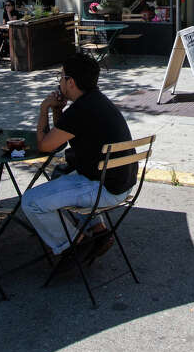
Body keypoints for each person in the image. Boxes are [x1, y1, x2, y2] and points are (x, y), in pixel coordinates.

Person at [23, 52, 136, 262]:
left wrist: (43, 109)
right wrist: (58, 110)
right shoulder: (95, 100)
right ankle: (99, 230)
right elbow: (62, 137)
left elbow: (45, 145)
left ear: (71, 82)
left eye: (61, 76)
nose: (59, 81)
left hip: (103, 188)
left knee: (30, 201)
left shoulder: (81, 110)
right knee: (60, 174)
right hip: (122, 182)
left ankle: (73, 243)